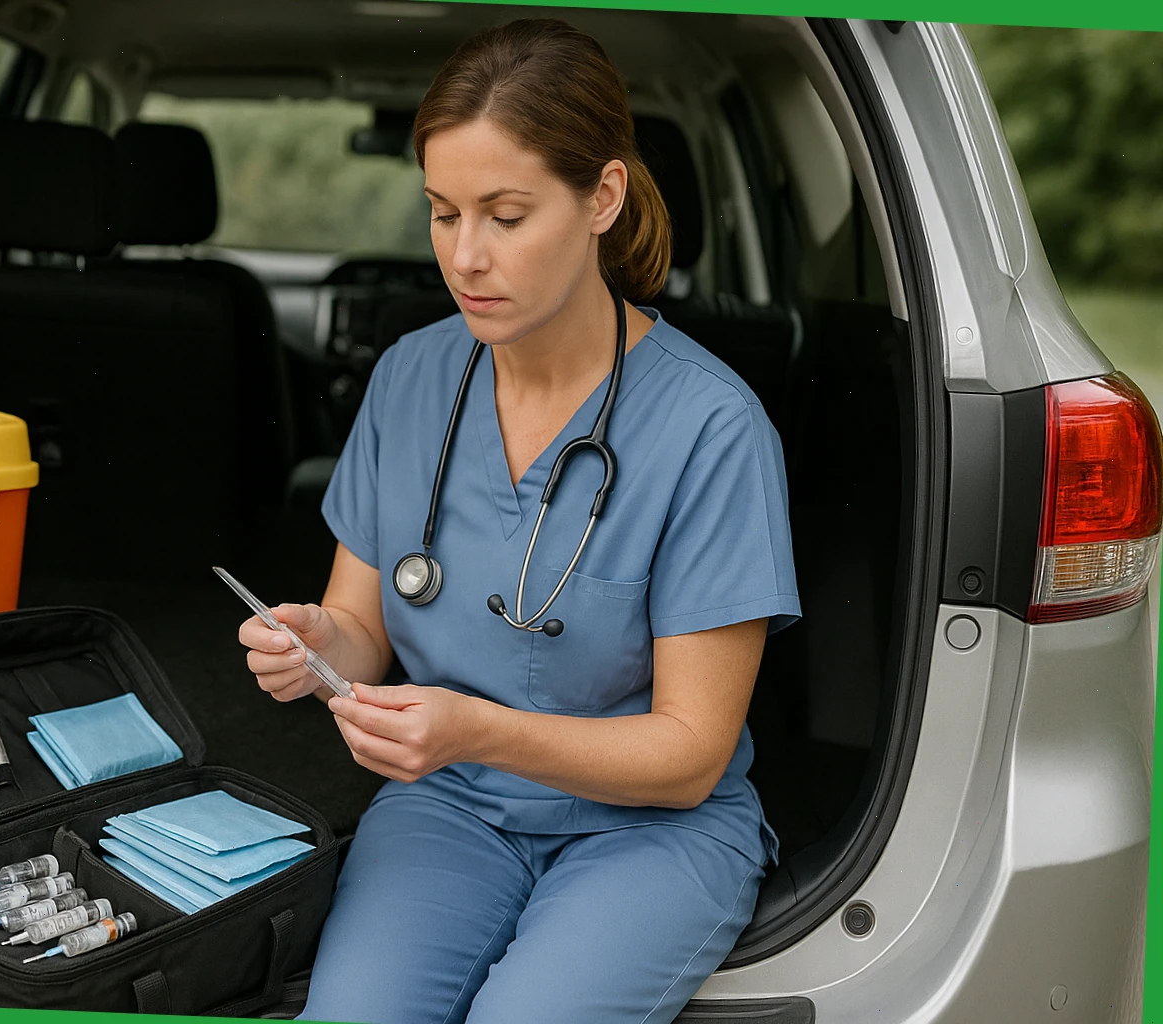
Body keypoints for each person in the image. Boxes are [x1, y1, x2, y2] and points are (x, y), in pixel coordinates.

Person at [236, 18, 801, 1024]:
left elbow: (690, 753)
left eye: (505, 215)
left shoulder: (712, 428)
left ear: (603, 198)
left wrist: (472, 727)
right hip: (452, 804)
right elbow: (362, 632)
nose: (465, 256)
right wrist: (320, 643)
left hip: (652, 829)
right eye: (442, 213)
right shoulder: (410, 377)